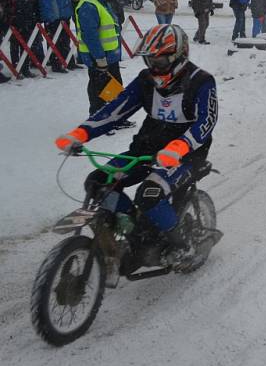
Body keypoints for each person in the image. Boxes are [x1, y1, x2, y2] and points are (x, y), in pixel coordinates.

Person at [55, 23, 219, 270]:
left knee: (149, 194)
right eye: (149, 61)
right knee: (98, 183)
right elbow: (116, 110)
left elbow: (206, 122)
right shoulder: (146, 81)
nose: (154, 67)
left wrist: (180, 147)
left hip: (186, 155)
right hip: (145, 149)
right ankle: (134, 230)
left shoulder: (201, 82)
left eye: (160, 62)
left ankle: (181, 245)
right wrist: (81, 133)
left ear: (178, 57)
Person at [73, 0, 124, 114]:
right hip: (99, 57)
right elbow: (90, 35)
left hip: (108, 56)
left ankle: (114, 115)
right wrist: (99, 58)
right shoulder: (88, 5)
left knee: (113, 86)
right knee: (99, 87)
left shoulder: (99, 1)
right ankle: (99, 116)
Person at [38, 0, 72, 73]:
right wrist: (53, 17)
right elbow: (47, 2)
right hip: (55, 18)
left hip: (63, 16)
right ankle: (56, 64)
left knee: (65, 41)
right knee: (55, 42)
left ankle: (67, 61)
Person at [4, 0, 39, 78]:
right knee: (15, 47)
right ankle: (16, 68)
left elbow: (30, 3)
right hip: (14, 23)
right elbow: (6, 7)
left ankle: (25, 68)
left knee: (26, 46)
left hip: (27, 21)